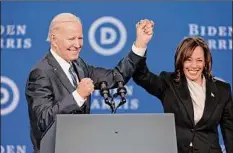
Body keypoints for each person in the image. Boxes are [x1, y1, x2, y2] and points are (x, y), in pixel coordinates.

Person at [25, 13, 154, 152]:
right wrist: (78, 96)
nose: (77, 44)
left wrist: (140, 44)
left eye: (80, 38)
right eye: (71, 39)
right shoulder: (40, 73)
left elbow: (115, 77)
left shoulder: (79, 65)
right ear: (54, 39)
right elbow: (42, 121)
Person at [132, 36, 233, 153]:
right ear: (180, 61)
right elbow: (141, 76)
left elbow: (229, 132)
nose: (194, 66)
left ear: (206, 62)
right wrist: (141, 43)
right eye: (188, 60)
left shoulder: (222, 90)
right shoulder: (168, 83)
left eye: (199, 60)